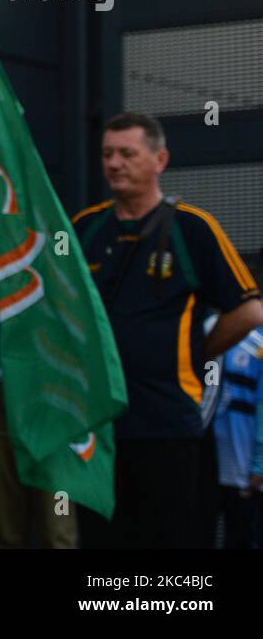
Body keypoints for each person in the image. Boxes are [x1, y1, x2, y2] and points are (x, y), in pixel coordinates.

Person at [72, 112, 262, 548]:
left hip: (169, 422)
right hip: (98, 426)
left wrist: (195, 351)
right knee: (102, 540)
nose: (114, 164)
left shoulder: (192, 227)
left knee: (172, 540)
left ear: (160, 159)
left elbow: (250, 312)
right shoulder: (84, 227)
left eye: (127, 153)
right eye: (107, 154)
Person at [0, 221, 78, 548]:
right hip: (6, 402)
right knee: (8, 520)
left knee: (58, 518)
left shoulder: (68, 287)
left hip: (56, 405)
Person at [211, 328, 263, 548]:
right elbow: (207, 391)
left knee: (240, 536)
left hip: (244, 466)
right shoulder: (211, 333)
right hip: (209, 460)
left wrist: (259, 464)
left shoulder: (259, 344)